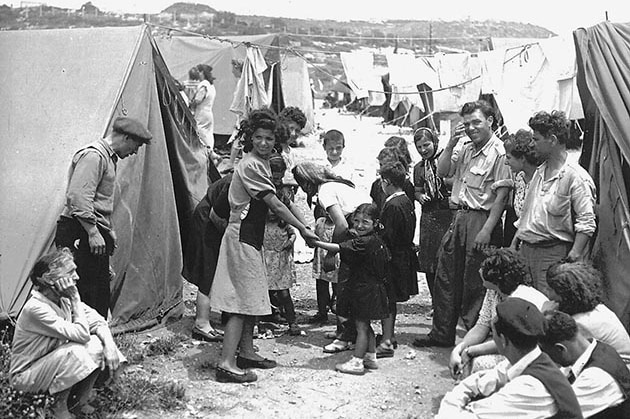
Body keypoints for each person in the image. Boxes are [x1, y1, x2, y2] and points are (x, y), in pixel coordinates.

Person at [209, 108, 317, 384]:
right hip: (242, 236)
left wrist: (301, 225)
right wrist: (303, 228)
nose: (264, 143)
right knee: (239, 300)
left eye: (269, 138)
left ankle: (245, 352)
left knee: (249, 297)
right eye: (258, 137)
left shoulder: (260, 163)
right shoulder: (251, 165)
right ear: (249, 137)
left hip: (249, 237)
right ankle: (226, 363)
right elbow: (275, 204)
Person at [414, 100, 511, 348]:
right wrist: (449, 144)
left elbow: (501, 198)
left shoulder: (499, 153)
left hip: (481, 220)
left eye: (476, 122)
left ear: (490, 121)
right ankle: (441, 334)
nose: (470, 128)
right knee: (445, 277)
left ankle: (474, 340)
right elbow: (443, 171)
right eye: (466, 123)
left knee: (475, 283)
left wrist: (488, 230)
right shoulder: (465, 148)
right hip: (458, 216)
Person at [10, 248, 125, 419]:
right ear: (49, 279)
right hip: (25, 377)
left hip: (48, 365)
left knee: (97, 343)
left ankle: (79, 402)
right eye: (71, 272)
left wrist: (110, 346)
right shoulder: (36, 307)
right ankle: (57, 407)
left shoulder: (62, 299)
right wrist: (75, 298)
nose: (77, 277)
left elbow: (98, 321)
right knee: (78, 349)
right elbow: (82, 335)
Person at [54, 116, 152, 317]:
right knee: (82, 295)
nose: (134, 152)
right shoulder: (94, 156)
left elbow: (100, 201)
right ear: (126, 138)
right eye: (136, 145)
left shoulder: (108, 158)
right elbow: (78, 197)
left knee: (97, 295)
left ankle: (92, 342)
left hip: (92, 230)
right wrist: (92, 231)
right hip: (79, 230)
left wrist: (107, 231)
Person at [437, 297, 583, 419]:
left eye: (493, 335)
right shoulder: (528, 358)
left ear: (503, 340)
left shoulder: (529, 386)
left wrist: (455, 397)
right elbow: (482, 380)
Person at [514, 111, 596, 295]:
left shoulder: (576, 177)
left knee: (547, 310)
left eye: (535, 139)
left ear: (551, 140)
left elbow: (587, 223)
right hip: (527, 251)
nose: (531, 144)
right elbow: (527, 216)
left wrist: (571, 258)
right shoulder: (539, 172)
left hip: (553, 254)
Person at [293, 162, 371, 352]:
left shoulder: (325, 191)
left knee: (344, 288)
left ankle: (346, 337)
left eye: (302, 184)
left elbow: (342, 225)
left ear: (308, 182)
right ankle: (345, 332)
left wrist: (331, 253)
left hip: (356, 237)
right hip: (364, 233)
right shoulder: (338, 186)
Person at [311, 203, 390, 375]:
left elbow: (338, 248)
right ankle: (370, 357)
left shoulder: (364, 242)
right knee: (365, 325)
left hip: (364, 291)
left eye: (365, 222)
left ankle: (357, 361)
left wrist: (316, 242)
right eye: (356, 221)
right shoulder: (376, 240)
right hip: (370, 290)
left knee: (361, 327)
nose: (359, 226)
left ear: (375, 223)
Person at [449, 248, 548, 378]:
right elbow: (482, 325)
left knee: (481, 363)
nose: (479, 270)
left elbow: (511, 341)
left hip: (526, 351)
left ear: (496, 275)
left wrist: (470, 351)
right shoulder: (494, 291)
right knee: (467, 357)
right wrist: (459, 349)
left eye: (484, 267)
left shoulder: (520, 298)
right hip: (506, 345)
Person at [540, 311, 630, 418]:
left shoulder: (594, 376)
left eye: (547, 353)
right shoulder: (597, 347)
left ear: (560, 349)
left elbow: (558, 413)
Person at [182, 173, 233, 342]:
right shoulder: (234, 181)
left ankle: (228, 314)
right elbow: (215, 215)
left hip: (214, 223)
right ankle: (201, 324)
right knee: (208, 274)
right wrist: (229, 236)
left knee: (223, 272)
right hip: (208, 225)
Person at [544, 262, 630, 362]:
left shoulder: (581, 323)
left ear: (564, 295)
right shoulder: (598, 308)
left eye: (550, 289)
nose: (546, 292)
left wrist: (545, 315)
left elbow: (567, 359)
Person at [376, 162, 418, 358]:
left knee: (387, 300)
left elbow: (387, 237)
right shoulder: (406, 201)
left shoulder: (391, 205)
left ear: (386, 182)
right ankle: (389, 336)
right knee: (391, 301)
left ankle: (385, 341)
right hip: (403, 257)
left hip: (392, 260)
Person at [412, 127, 454, 304]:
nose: (423, 150)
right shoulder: (419, 167)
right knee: (430, 262)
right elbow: (417, 190)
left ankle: (449, 304)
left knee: (447, 259)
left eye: (426, 145)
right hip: (429, 215)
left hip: (448, 214)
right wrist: (420, 196)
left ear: (435, 142)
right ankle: (436, 303)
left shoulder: (447, 160)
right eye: (419, 146)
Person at [264, 155, 301, 336]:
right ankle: (265, 319)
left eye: (280, 175)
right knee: (262, 291)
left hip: (280, 259)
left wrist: (290, 242)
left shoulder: (282, 222)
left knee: (284, 293)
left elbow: (293, 232)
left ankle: (292, 322)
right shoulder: (261, 224)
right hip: (265, 257)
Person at [502, 129, 537, 246]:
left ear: (522, 158)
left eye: (509, 157)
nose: (506, 162)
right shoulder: (519, 178)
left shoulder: (541, 179)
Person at [370, 146, 415, 213]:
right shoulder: (376, 184)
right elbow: (374, 206)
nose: (382, 168)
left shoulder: (406, 184)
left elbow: (409, 209)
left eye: (386, 165)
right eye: (381, 165)